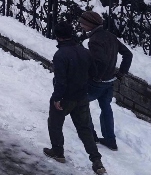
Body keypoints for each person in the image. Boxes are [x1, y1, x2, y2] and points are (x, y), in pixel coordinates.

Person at [45, 20, 106, 174]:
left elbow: (61, 81)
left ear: (58, 37)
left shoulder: (60, 55)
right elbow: (94, 74)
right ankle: (97, 162)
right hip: (82, 97)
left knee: (55, 123)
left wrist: (57, 98)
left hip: (65, 98)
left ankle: (58, 152)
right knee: (85, 129)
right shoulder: (84, 51)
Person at [79, 10, 132, 151]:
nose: (81, 26)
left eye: (82, 23)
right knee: (106, 108)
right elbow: (128, 54)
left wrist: (95, 76)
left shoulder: (94, 41)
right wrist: (121, 73)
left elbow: (100, 62)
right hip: (110, 80)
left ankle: (91, 135)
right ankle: (110, 140)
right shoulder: (111, 36)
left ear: (90, 24)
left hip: (97, 82)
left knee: (81, 103)